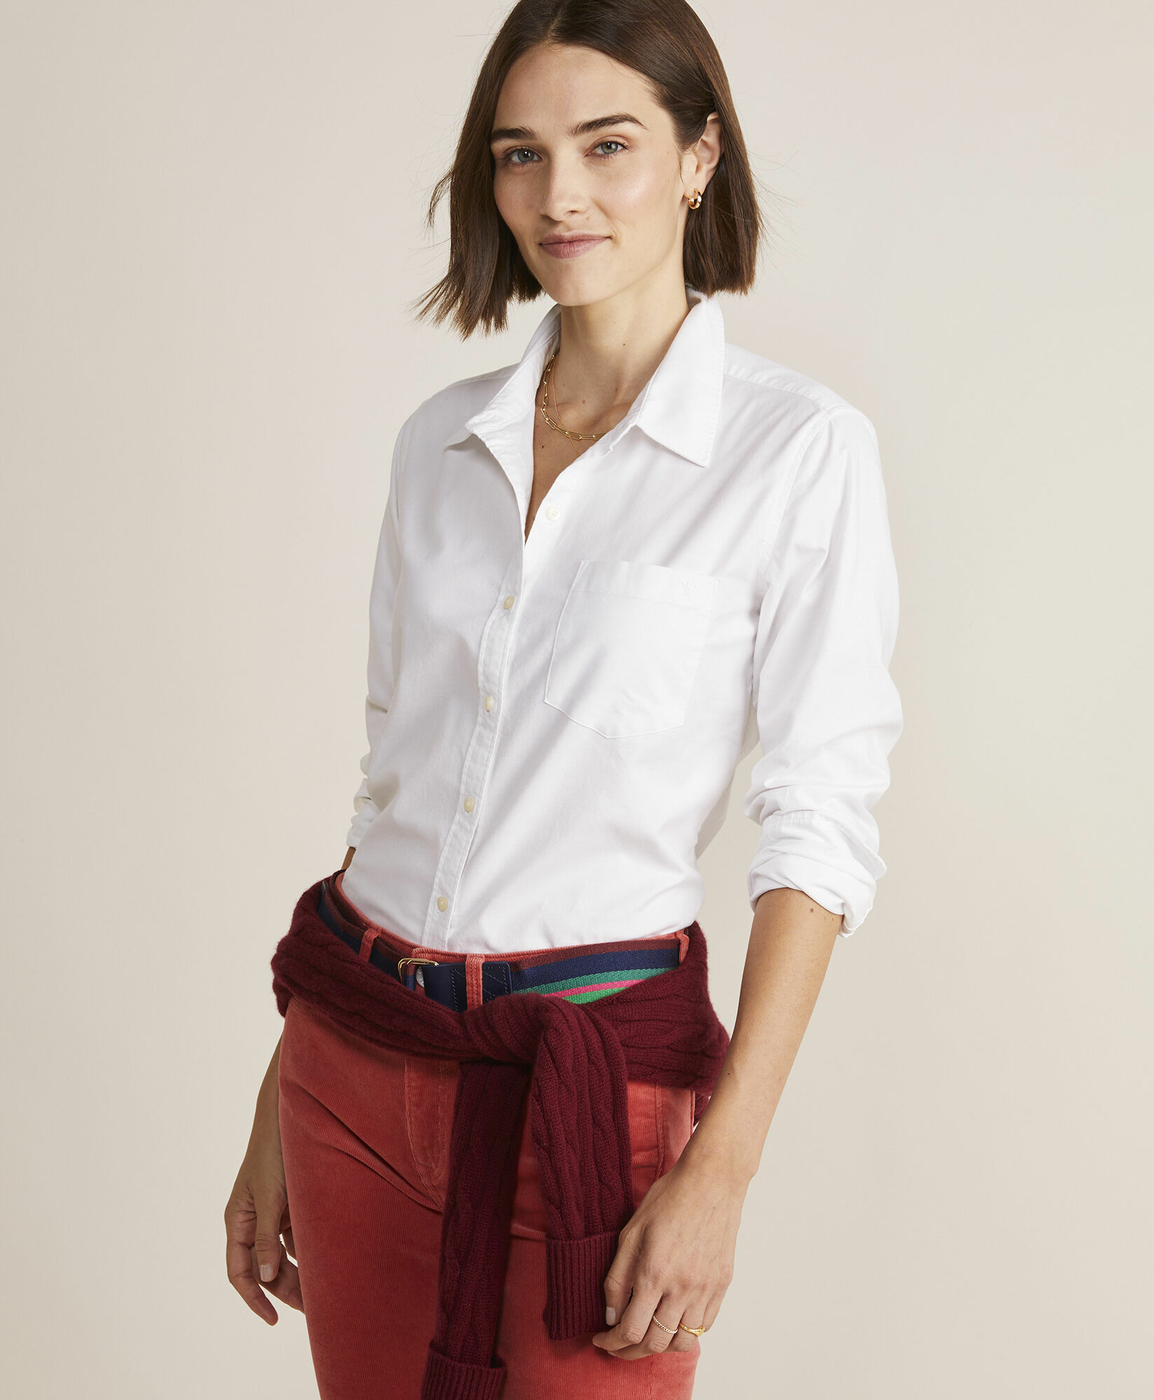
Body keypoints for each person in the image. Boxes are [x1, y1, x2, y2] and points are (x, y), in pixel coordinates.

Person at [224, 2, 903, 1396]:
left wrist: (723, 1171)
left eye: (608, 145)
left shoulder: (796, 453)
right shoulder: (440, 444)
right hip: (351, 1066)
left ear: (700, 158)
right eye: (520, 154)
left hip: (591, 1095)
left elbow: (820, 825)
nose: (560, 195)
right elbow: (398, 789)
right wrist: (277, 1097)